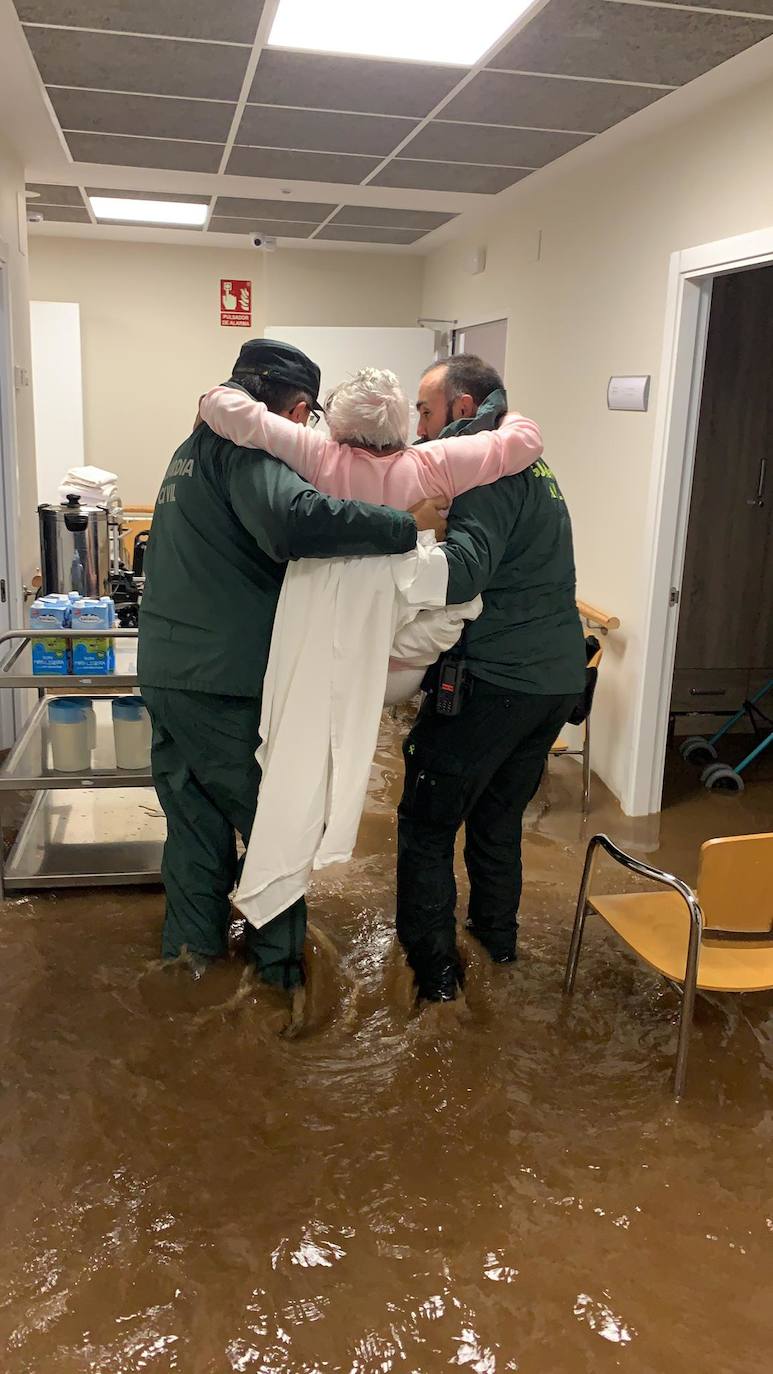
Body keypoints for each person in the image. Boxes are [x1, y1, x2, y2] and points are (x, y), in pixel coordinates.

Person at [138, 339, 445, 990]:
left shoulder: (188, 451)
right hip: (222, 679)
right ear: (298, 409)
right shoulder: (250, 448)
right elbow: (293, 521)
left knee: (194, 818)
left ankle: (189, 962)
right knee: (274, 819)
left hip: (169, 669)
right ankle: (280, 976)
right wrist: (400, 522)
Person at [396, 354, 587, 1001]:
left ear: (458, 407)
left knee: (425, 825)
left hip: (495, 680)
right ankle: (496, 946)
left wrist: (392, 542)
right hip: (553, 678)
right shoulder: (531, 463)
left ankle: (435, 981)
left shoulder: (480, 462)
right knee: (498, 821)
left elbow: (463, 573)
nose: (418, 428)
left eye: (424, 411)